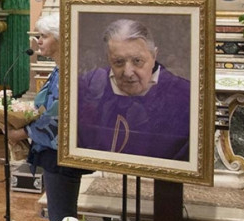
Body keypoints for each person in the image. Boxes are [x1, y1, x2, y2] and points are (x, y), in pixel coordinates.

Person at [7, 13, 86, 221]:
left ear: (61, 38)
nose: (38, 41)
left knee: (63, 220)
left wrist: (22, 132)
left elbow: (58, 118)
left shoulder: (69, 72)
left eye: (44, 36)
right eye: (38, 36)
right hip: (54, 152)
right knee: (60, 218)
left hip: (60, 153)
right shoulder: (60, 69)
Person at [77, 19, 190, 161]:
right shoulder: (87, 86)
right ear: (108, 59)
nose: (128, 72)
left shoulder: (185, 96)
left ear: (154, 56)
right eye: (118, 62)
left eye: (137, 61)